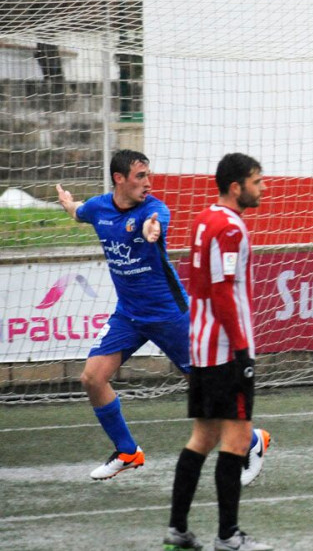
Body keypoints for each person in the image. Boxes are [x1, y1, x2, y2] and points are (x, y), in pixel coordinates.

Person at [56, 150, 270, 485]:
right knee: (92, 378)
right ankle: (127, 452)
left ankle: (253, 442)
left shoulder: (155, 209)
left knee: (205, 390)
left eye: (148, 175)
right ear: (119, 179)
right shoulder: (98, 208)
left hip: (170, 315)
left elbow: (152, 225)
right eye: (140, 176)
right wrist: (67, 203)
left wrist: (150, 230)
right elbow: (78, 212)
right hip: (129, 315)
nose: (148, 183)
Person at [164, 153, 272, 551]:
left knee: (202, 437)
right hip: (226, 350)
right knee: (238, 440)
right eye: (257, 182)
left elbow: (203, 284)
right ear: (236, 186)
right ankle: (228, 535)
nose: (262, 189)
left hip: (202, 347)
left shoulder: (204, 218)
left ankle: (177, 528)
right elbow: (223, 290)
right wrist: (242, 349)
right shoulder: (230, 227)